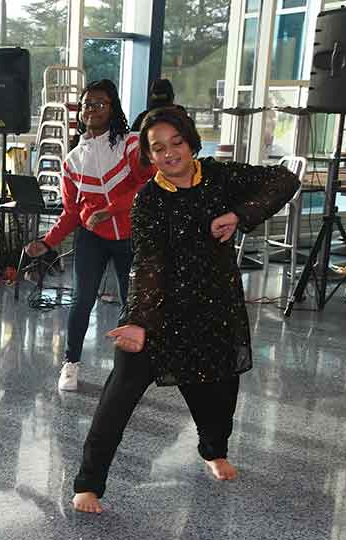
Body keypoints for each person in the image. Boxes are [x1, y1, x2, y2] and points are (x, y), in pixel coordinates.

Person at [71, 107, 300, 513]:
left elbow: (285, 179)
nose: (170, 153)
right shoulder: (149, 201)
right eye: (158, 148)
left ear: (191, 142)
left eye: (176, 142)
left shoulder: (219, 176)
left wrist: (239, 215)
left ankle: (213, 450)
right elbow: (148, 263)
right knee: (119, 394)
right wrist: (138, 322)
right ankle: (89, 483)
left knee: (218, 388)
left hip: (214, 306)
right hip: (159, 312)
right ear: (149, 156)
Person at [24, 79, 154, 391]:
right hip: (92, 239)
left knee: (131, 303)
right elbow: (70, 213)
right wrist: (46, 242)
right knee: (82, 300)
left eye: (100, 103)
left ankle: (131, 369)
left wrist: (110, 209)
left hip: (131, 237)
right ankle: (71, 363)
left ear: (113, 109)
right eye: (87, 104)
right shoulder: (72, 161)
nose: (92, 109)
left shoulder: (131, 144)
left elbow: (149, 187)